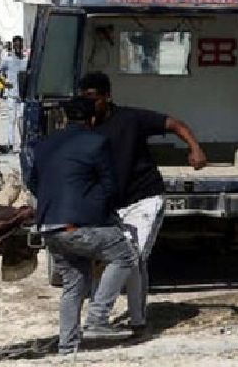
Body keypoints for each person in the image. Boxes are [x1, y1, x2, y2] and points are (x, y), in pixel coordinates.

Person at [78, 72, 207, 332]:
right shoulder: (84, 127)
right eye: (84, 99)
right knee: (117, 259)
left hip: (144, 198)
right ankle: (131, 320)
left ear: (107, 97)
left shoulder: (131, 119)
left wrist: (195, 148)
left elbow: (175, 124)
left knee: (131, 257)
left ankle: (110, 320)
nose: (89, 104)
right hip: (112, 203)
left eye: (93, 98)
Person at [27, 96, 136, 355]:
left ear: (65, 117)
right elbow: (111, 187)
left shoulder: (44, 145)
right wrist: (100, 212)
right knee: (124, 255)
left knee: (75, 282)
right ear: (93, 118)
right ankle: (98, 319)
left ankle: (67, 345)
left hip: (48, 226)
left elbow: (33, 183)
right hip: (75, 226)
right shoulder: (97, 142)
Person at [0, 36, 29, 151]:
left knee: (22, 120)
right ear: (13, 46)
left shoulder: (26, 60)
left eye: (19, 45)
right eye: (16, 45)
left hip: (23, 95)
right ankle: (11, 143)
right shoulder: (7, 59)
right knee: (11, 120)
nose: (18, 47)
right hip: (12, 94)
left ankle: (23, 143)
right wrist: (4, 83)